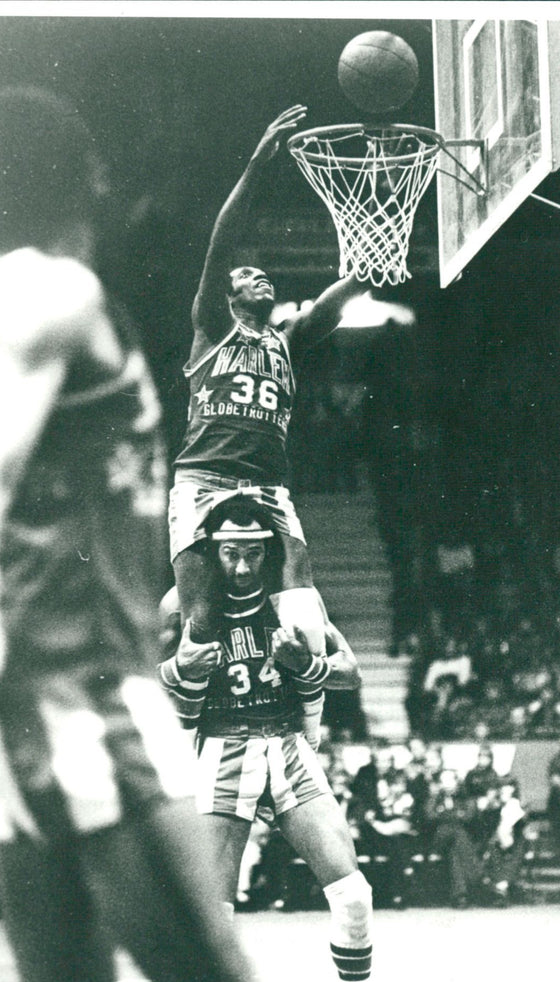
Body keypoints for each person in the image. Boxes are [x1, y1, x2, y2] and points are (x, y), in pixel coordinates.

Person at [0, 86, 275, 982]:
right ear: (91, 180)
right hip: (84, 699)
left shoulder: (1, 290)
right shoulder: (48, 290)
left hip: (26, 708)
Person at [168, 104, 367, 751]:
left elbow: (329, 308)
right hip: (203, 480)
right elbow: (222, 242)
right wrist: (257, 164)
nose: (256, 273)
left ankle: (302, 736)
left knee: (302, 589)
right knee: (200, 618)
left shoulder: (283, 340)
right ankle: (189, 739)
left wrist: (362, 272)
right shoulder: (211, 328)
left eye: (262, 272)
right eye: (244, 274)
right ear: (226, 294)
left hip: (268, 485)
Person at [158, 497, 384, 982]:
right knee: (212, 913)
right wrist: (177, 670)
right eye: (230, 553)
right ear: (213, 550)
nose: (240, 567)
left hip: (285, 742)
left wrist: (305, 666)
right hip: (222, 744)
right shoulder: (182, 604)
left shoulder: (296, 603)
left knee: (354, 894)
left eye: (253, 554)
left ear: (268, 551)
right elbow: (146, 686)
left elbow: (351, 674)